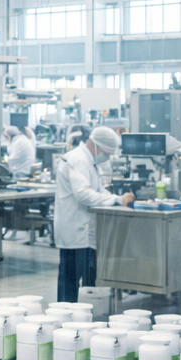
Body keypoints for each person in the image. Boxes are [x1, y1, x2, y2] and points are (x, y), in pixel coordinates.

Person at [54, 125, 134, 301]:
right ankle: (66, 319)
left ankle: (84, 317)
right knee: (70, 282)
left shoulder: (89, 161)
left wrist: (117, 198)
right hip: (75, 232)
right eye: (107, 153)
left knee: (85, 283)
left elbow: (98, 190)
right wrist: (115, 200)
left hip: (83, 232)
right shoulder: (79, 160)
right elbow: (83, 194)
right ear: (96, 145)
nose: (108, 157)